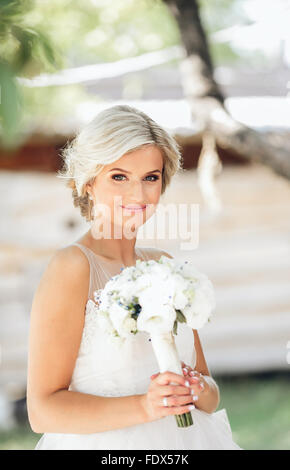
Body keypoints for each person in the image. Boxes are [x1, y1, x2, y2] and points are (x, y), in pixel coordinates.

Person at [27, 104, 242, 450]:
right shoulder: (72, 267)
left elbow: (210, 393)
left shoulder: (165, 266)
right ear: (88, 182)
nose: (138, 196)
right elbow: (42, 411)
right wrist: (146, 405)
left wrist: (196, 388)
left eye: (150, 178)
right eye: (119, 176)